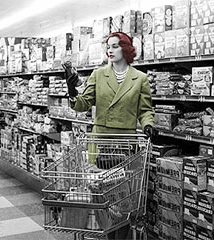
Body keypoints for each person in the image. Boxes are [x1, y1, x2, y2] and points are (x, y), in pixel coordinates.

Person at [64, 32, 155, 239]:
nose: (110, 50)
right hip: (101, 142)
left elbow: (145, 110)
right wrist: (71, 91)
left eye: (115, 46)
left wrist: (148, 125)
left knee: (123, 199)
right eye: (109, 46)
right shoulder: (98, 74)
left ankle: (119, 236)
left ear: (126, 48)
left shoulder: (140, 79)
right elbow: (82, 104)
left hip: (125, 146)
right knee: (102, 195)